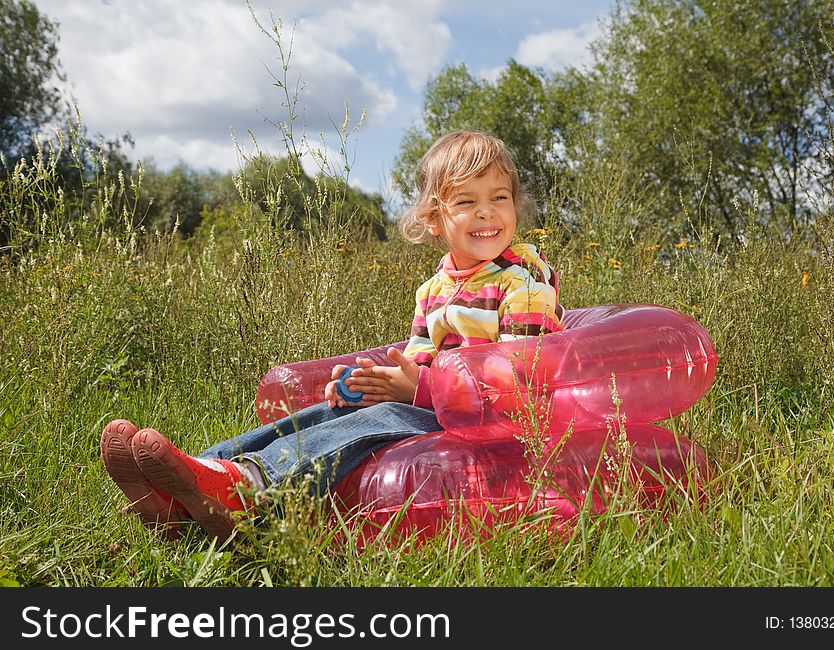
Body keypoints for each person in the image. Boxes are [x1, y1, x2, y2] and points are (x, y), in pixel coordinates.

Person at [100, 130, 565, 540]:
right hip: (438, 403)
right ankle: (191, 476)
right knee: (326, 413)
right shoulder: (435, 289)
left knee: (376, 423)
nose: (487, 213)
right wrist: (372, 383)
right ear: (433, 219)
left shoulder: (523, 280)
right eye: (467, 202)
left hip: (486, 420)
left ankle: (249, 488)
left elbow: (518, 378)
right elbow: (421, 359)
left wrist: (418, 391)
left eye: (499, 198)